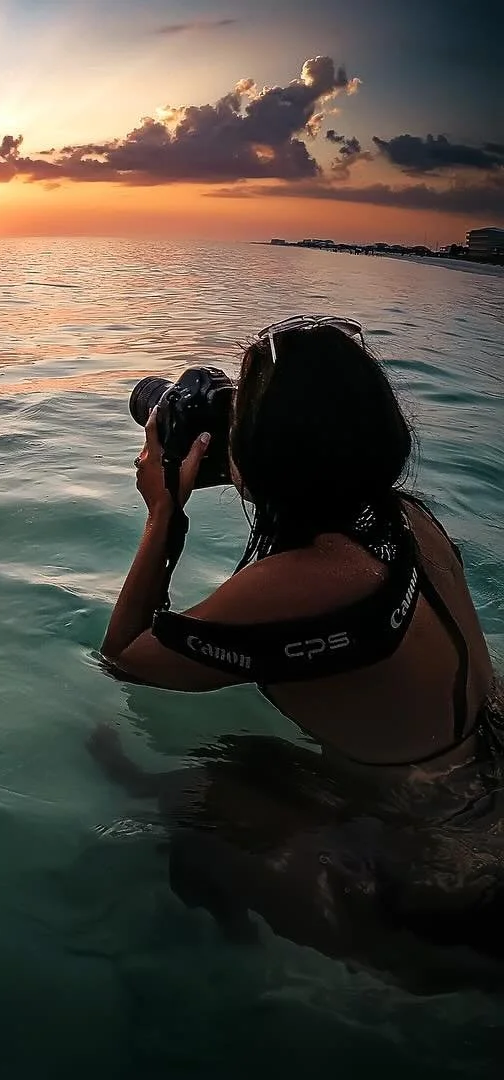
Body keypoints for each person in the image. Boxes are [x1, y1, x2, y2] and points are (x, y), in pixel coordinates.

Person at [92, 313, 504, 993]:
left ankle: (226, 987)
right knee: (253, 761)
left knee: (194, 800)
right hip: (483, 775)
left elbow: (126, 658)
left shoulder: (305, 583)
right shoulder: (408, 519)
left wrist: (164, 512)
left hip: (448, 890)